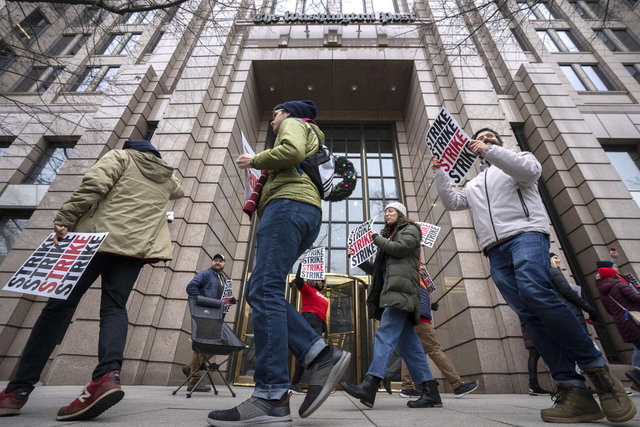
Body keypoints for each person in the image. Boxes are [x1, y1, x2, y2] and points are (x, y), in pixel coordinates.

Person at [431, 128, 636, 423]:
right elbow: (453, 202)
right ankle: (573, 389)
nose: (485, 139)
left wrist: (487, 150)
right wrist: (441, 173)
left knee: (535, 290)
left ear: (499, 143)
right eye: (480, 138)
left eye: (490, 137)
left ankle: (599, 373)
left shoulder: (520, 160)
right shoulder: (475, 184)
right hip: (494, 250)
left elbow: (528, 171)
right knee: (527, 315)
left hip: (526, 236)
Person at [0, 140, 183, 420]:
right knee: (115, 307)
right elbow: (178, 191)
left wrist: (66, 217)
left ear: (130, 149)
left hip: (94, 243)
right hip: (134, 249)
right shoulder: (167, 178)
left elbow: (94, 185)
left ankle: (17, 391)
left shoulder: (121, 157)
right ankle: (107, 376)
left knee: (57, 308)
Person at [208, 100, 351, 426]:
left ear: (286, 112)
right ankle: (313, 359)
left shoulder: (295, 123)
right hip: (301, 209)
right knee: (261, 290)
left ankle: (273, 393)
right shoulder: (309, 131)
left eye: (274, 116)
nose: (272, 122)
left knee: (263, 289)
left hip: (287, 205)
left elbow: (289, 153)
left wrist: (254, 159)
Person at [343, 202, 441, 409]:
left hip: (402, 293)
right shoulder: (388, 238)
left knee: (385, 334)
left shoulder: (410, 230)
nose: (387, 214)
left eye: (391, 211)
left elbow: (399, 249)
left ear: (401, 214)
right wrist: (358, 259)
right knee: (410, 346)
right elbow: (378, 271)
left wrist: (374, 238)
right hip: (394, 293)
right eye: (386, 211)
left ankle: (370, 385)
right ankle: (430, 391)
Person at [385, 264, 478, 399]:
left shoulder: (422, 280)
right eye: (419, 265)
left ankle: (406, 387)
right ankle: (457, 385)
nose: (422, 267)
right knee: (435, 349)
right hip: (420, 319)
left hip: (418, 318)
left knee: (410, 352)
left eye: (422, 266)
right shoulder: (410, 276)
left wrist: (430, 306)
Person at [182, 253, 236, 392]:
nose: (218, 262)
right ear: (212, 262)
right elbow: (191, 287)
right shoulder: (206, 274)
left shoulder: (223, 279)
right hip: (205, 316)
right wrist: (203, 303)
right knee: (204, 345)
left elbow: (222, 299)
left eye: (221, 261)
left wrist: (230, 300)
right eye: (215, 260)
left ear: (224, 264)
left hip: (216, 318)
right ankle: (194, 381)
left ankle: (190, 367)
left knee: (220, 344)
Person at [595, 260, 640, 391]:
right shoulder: (619, 284)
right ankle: (635, 374)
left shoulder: (602, 291)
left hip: (623, 323)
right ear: (610, 270)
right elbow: (636, 298)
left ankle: (635, 380)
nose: (617, 268)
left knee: (638, 348)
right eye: (615, 266)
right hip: (634, 321)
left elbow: (609, 311)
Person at [290, 261, 329, 394]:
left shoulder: (323, 295)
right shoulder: (307, 289)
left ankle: (315, 385)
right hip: (309, 323)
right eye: (317, 278)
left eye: (322, 279)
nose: (320, 280)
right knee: (308, 354)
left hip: (319, 326)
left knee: (315, 355)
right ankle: (296, 384)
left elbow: (323, 313)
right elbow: (298, 281)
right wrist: (301, 265)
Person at [549, 253, 600, 332]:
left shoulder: (545, 273)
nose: (559, 260)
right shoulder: (554, 272)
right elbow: (567, 292)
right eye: (555, 258)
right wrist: (589, 309)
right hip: (570, 313)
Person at [521, 326, 551, 396]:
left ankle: (533, 385)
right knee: (534, 354)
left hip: (528, 327)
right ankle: (534, 385)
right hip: (534, 327)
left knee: (533, 354)